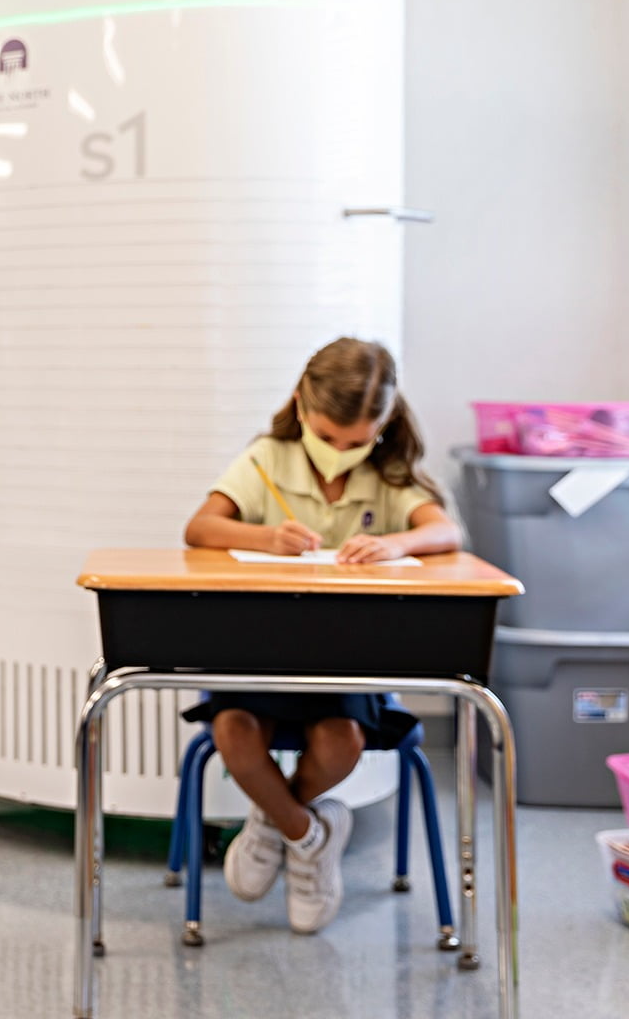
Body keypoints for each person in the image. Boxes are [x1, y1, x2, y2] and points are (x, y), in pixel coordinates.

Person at [181, 337, 461, 934]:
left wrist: (396, 543)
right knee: (232, 731)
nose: (339, 452)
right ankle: (310, 834)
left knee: (342, 742)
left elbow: (444, 532)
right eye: (328, 436)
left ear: (383, 423)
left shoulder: (388, 474)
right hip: (263, 652)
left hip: (347, 661)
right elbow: (201, 527)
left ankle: (276, 823)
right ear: (303, 407)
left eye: (356, 440)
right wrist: (264, 538)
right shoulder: (267, 459)